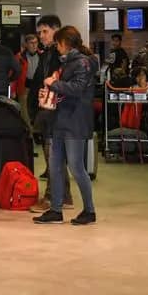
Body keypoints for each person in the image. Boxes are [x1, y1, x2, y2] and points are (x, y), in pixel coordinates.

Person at [33, 26, 98, 225]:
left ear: (65, 43)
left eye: (58, 43)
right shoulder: (66, 63)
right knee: (55, 166)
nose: (57, 47)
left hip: (75, 122)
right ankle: (56, 209)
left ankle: (89, 210)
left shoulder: (83, 63)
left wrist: (54, 84)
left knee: (76, 167)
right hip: (59, 120)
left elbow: (77, 89)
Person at [29, 15, 73, 212]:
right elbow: (40, 78)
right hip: (46, 107)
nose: (41, 36)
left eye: (45, 31)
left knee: (53, 154)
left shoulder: (64, 55)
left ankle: (53, 197)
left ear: (57, 30)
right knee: (54, 155)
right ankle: (64, 196)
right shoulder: (46, 54)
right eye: (39, 32)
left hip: (59, 110)